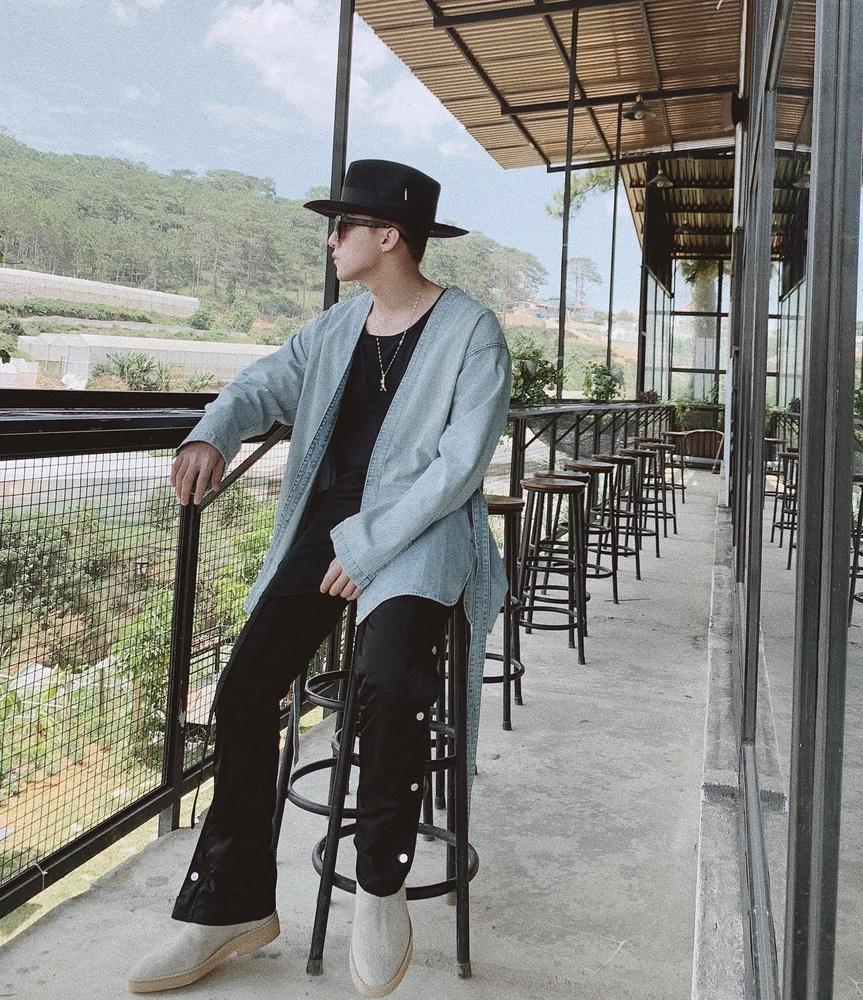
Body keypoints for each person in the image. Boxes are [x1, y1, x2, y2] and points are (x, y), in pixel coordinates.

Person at [127, 159, 512, 996]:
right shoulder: (337, 327)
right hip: (325, 531)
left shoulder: (471, 332)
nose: (331, 241)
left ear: (389, 236)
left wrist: (372, 545)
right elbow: (265, 383)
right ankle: (231, 906)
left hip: (417, 534)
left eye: (342, 227)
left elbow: (458, 467)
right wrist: (212, 431)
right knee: (244, 690)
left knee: (389, 681)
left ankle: (380, 884)